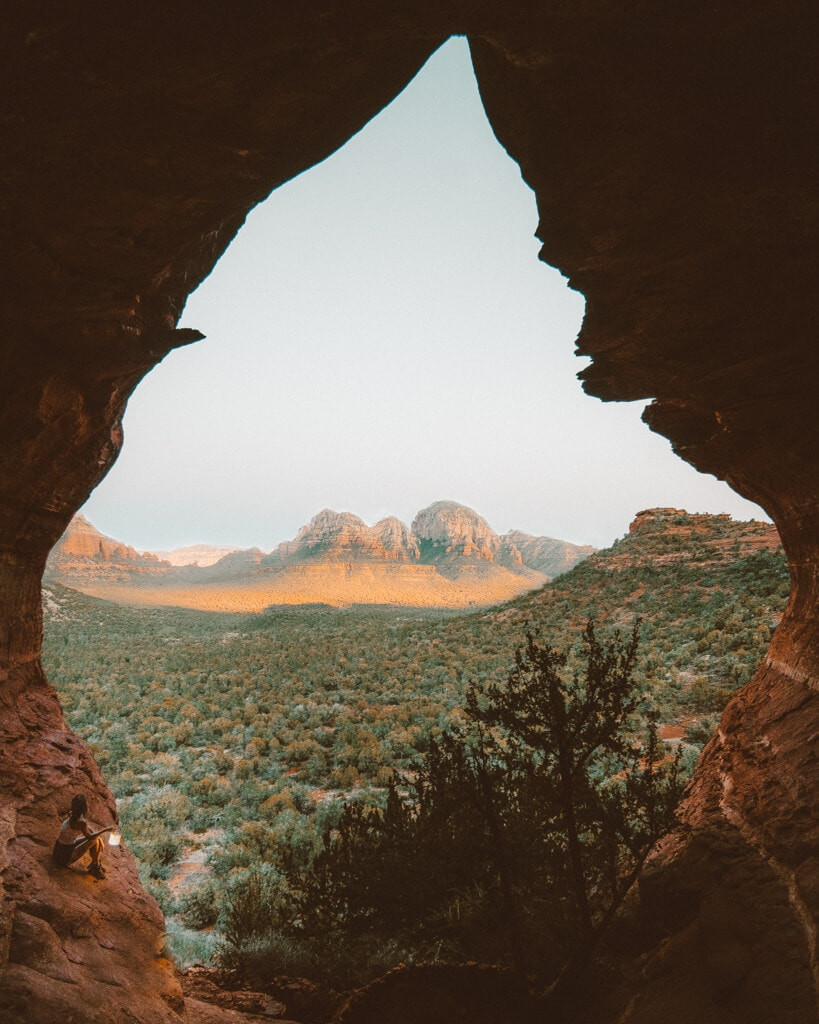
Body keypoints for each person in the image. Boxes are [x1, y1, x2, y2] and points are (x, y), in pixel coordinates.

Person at [52, 794, 113, 879]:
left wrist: (99, 837)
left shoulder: (72, 814)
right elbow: (90, 836)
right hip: (64, 857)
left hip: (58, 850)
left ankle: (95, 864)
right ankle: (95, 867)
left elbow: (87, 829)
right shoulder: (81, 822)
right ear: (84, 808)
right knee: (94, 840)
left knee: (96, 838)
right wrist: (105, 830)